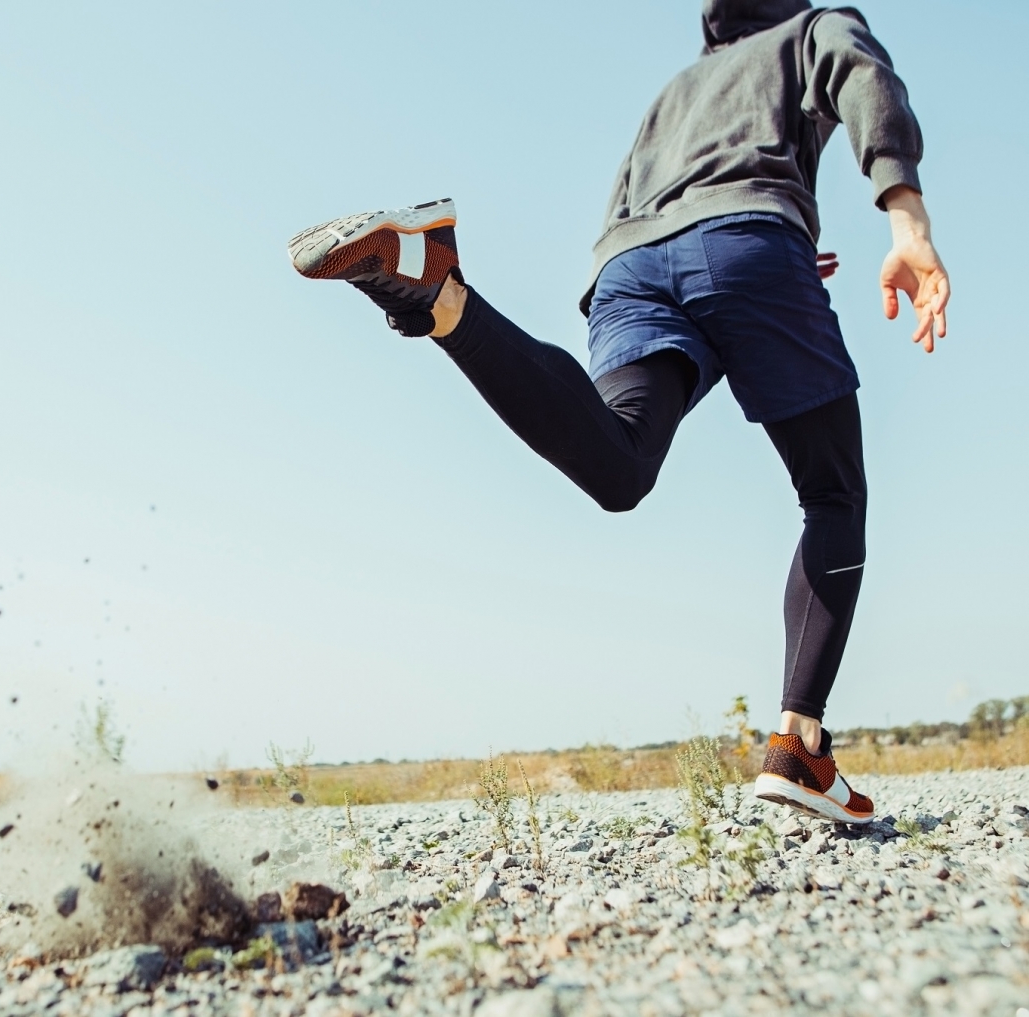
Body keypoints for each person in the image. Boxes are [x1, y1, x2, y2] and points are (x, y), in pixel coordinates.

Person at [286, 0, 950, 824]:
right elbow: (862, 75)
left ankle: (444, 295)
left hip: (630, 265)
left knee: (620, 463)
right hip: (746, 246)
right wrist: (903, 218)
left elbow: (657, 210)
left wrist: (751, 244)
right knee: (833, 493)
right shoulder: (810, 28)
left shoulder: (677, 88)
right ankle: (798, 745)